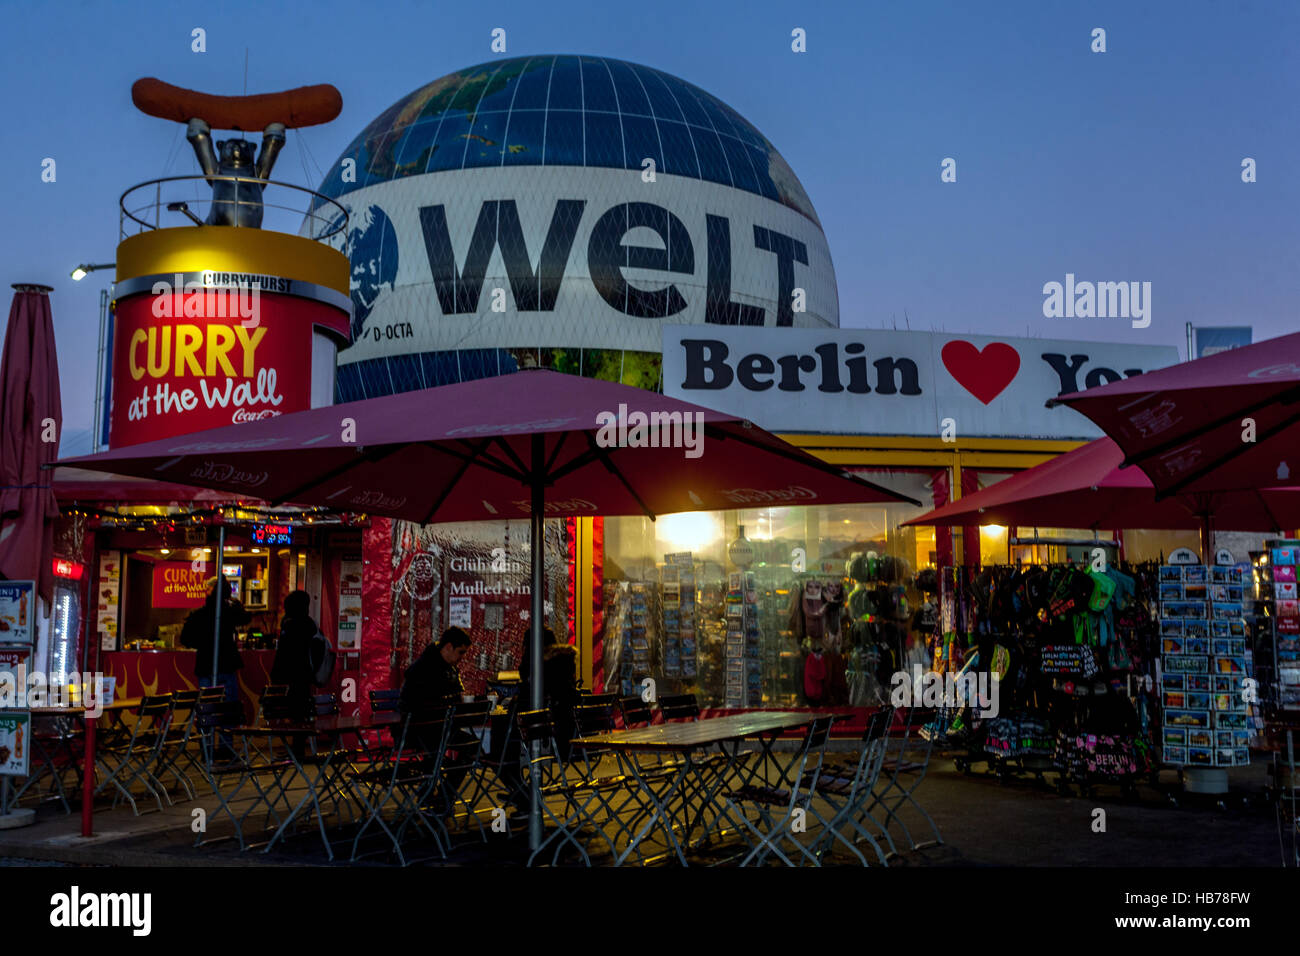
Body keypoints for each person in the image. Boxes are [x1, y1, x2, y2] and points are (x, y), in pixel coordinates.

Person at [180, 577, 250, 706]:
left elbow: (185, 639)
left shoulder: (199, 614)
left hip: (205, 664)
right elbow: (245, 618)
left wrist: (202, 643)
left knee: (208, 707)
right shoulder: (230, 611)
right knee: (229, 709)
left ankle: (208, 726)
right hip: (227, 664)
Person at [270, 590, 319, 718]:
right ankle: (301, 735)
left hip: (288, 675)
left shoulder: (289, 625)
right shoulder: (310, 625)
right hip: (305, 673)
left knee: (289, 710)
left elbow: (283, 655)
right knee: (301, 711)